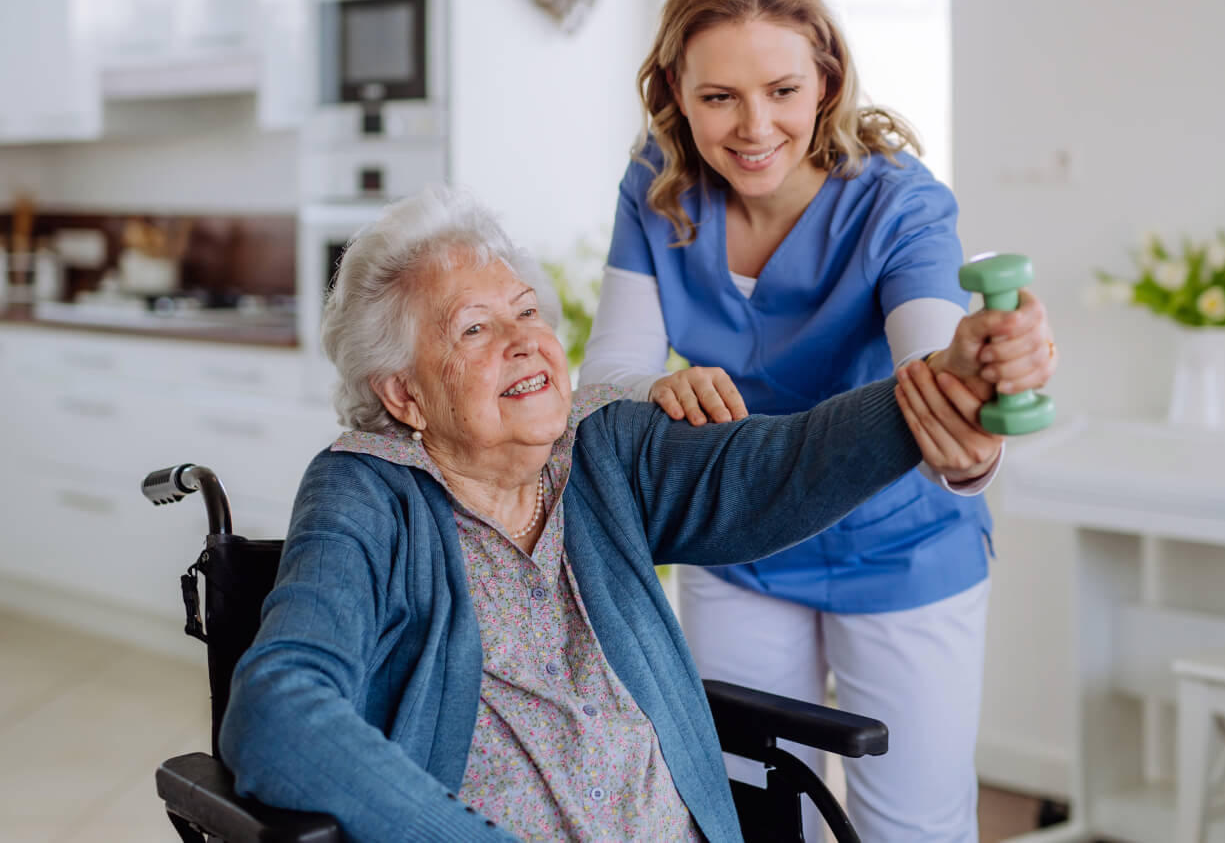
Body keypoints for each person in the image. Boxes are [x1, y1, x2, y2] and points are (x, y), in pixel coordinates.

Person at [218, 185, 1003, 843]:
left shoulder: (601, 445)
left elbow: (780, 466)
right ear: (403, 394)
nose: (525, 344)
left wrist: (940, 383)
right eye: (475, 329)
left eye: (528, 314)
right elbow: (278, 712)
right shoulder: (366, 493)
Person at [578, 0, 1058, 841]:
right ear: (675, 92)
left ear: (826, 79)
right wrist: (657, 386)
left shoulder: (898, 204)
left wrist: (976, 374)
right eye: (719, 96)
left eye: (783, 90)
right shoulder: (657, 187)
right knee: (750, 815)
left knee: (910, 829)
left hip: (901, 550)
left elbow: (932, 351)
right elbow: (605, 378)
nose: (754, 127)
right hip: (742, 547)